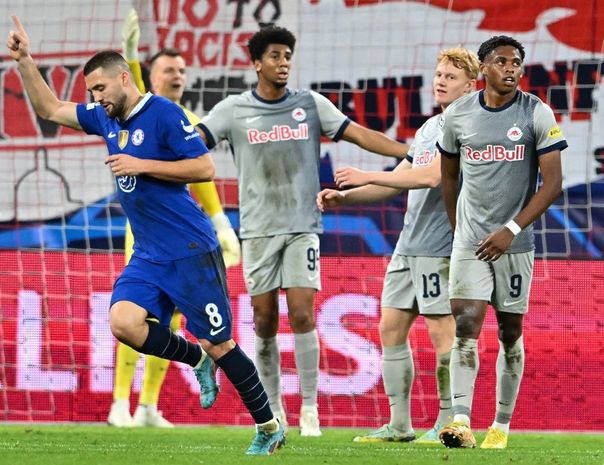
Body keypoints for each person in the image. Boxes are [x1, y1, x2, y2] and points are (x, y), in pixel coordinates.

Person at [7, 16, 284, 456]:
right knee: (124, 322)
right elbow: (50, 108)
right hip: (150, 253)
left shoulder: (166, 115)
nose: (95, 99)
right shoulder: (106, 119)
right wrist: (25, 60)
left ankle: (268, 426)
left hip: (191, 249)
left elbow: (204, 168)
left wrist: (141, 165)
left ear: (123, 78)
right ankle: (195, 361)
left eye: (100, 89)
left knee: (221, 343)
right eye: (91, 93)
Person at [195, 25, 409, 437]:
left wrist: (405, 150)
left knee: (302, 313)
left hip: (302, 226)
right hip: (257, 230)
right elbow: (195, 142)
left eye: (287, 56)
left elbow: (357, 133)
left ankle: (310, 408)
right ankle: (274, 407)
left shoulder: (309, 105)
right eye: (274, 56)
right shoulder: (233, 110)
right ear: (256, 63)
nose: (283, 63)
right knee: (263, 320)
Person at [317, 47, 479, 444]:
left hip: (441, 247)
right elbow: (401, 175)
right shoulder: (428, 128)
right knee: (390, 327)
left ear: (471, 86)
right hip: (408, 246)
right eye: (439, 73)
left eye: (451, 76)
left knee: (443, 333)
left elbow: (430, 177)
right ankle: (400, 425)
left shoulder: (470, 127)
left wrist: (363, 171)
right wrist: (348, 196)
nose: (440, 80)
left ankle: (447, 423)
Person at [107, 9, 242, 429]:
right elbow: (129, 82)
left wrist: (221, 223)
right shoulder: (143, 110)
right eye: (169, 68)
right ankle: (119, 403)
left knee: (176, 319)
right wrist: (129, 52)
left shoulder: (187, 122)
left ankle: (148, 405)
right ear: (150, 74)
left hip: (181, 235)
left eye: (183, 69)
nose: (179, 75)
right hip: (146, 235)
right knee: (139, 315)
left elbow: (199, 179)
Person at [436, 36, 566, 449]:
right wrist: (459, 229)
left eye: (517, 63)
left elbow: (554, 184)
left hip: (516, 243)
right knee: (466, 325)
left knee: (510, 332)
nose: (511, 69)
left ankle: (501, 425)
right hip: (471, 243)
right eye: (501, 61)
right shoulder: (457, 115)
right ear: (484, 68)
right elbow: (449, 177)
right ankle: (460, 421)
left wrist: (510, 228)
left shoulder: (537, 113)